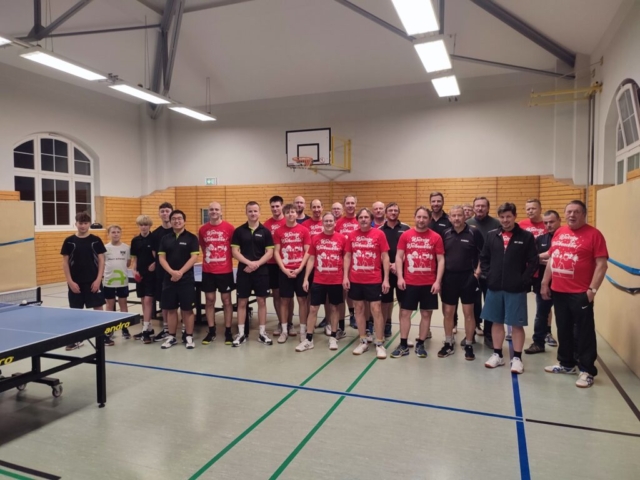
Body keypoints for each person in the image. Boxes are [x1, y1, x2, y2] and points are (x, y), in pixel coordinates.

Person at [541, 200, 608, 388]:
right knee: (563, 328)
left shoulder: (594, 235)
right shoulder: (560, 232)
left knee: (584, 332)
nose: (572, 215)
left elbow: (602, 265)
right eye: (569, 211)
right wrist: (545, 282)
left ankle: (587, 370)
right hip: (559, 291)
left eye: (576, 212)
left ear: (584, 214)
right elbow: (553, 259)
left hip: (580, 293)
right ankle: (566, 364)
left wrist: (591, 291)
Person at [481, 203, 538, 374]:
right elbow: (484, 258)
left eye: (508, 216)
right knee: (496, 321)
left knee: (516, 324)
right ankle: (497, 355)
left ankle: (517, 358)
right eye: (502, 217)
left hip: (516, 289)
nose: (505, 220)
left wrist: (523, 280)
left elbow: (533, 261)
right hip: (495, 287)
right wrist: (489, 275)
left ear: (514, 216)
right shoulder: (492, 235)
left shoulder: (526, 236)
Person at [391, 207, 444, 359]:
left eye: (424, 217)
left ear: (429, 219)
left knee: (426, 314)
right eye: (419, 217)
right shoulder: (406, 235)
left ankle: (420, 343)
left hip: (428, 283)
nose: (421, 220)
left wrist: (437, 281)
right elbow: (399, 257)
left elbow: (441, 260)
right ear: (415, 217)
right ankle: (403, 345)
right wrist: (400, 277)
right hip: (409, 282)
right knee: (405, 313)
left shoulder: (436, 237)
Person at [344, 207, 390, 359]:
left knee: (376, 310)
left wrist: (386, 279)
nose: (363, 219)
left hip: (373, 279)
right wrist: (345, 277)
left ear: (371, 220)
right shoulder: (352, 235)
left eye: (366, 217)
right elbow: (348, 256)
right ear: (357, 220)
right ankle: (363, 340)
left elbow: (385, 257)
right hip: (356, 279)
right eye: (361, 217)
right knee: (358, 309)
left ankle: (379, 343)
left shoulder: (379, 234)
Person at [440, 206, 484, 361]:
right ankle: (448, 342)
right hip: (449, 278)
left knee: (468, 313)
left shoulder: (474, 232)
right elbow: (440, 256)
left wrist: (477, 273)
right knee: (448, 312)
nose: (457, 218)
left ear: (465, 216)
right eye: (453, 215)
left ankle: (469, 344)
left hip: (468, 279)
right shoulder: (445, 233)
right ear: (450, 218)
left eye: (459, 215)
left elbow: (483, 254)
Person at [299, 212, 347, 351]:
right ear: (322, 223)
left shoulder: (342, 238)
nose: (328, 223)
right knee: (313, 308)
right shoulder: (315, 238)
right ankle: (308, 339)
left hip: (336, 280)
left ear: (335, 223)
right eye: (326, 221)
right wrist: (306, 278)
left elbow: (346, 259)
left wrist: (345, 277)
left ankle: (333, 337)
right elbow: (311, 259)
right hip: (319, 280)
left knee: (334, 308)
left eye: (331, 221)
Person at [61, 211, 107, 350]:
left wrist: (98, 280)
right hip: (75, 283)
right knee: (76, 311)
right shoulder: (69, 241)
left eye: (85, 223)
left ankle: (101, 335)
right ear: (75, 224)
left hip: (93, 281)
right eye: (80, 223)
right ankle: (77, 339)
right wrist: (70, 282)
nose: (83, 226)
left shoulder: (95, 240)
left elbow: (101, 260)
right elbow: (65, 263)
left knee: (98, 308)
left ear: (89, 224)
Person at [231, 201, 274, 346]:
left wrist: (256, 264)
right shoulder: (239, 231)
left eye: (255, 211)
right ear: (246, 213)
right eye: (250, 211)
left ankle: (262, 333)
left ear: (259, 213)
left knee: (261, 301)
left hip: (261, 272)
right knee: (242, 302)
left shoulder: (265, 231)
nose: (253, 213)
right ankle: (241, 333)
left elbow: (270, 252)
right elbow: (235, 252)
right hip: (244, 272)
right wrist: (249, 263)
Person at [158, 210, 200, 349]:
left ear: (184, 221)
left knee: (187, 310)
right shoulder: (165, 239)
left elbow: (194, 257)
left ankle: (189, 336)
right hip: (169, 279)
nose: (177, 221)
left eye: (179, 218)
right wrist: (172, 272)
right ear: (170, 221)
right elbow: (161, 258)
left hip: (186, 279)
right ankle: (171, 337)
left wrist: (180, 272)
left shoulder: (192, 238)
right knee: (171, 309)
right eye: (174, 219)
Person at [199, 201, 236, 346]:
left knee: (226, 301)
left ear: (221, 211)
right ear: (208, 212)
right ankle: (211, 330)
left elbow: (233, 248)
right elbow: (203, 247)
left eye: (216, 209)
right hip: (208, 271)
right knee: (209, 300)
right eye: (211, 209)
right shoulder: (203, 229)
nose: (214, 211)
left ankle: (228, 331)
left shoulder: (230, 228)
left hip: (225, 271)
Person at [466, 196, 501, 348]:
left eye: (483, 206)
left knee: (490, 303)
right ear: (473, 208)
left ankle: (489, 335)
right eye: (477, 206)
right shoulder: (467, 223)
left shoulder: (496, 224)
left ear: (488, 208)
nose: (480, 208)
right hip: (471, 271)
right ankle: (471, 332)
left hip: (491, 271)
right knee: (472, 303)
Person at [274, 204, 311, 344]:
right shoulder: (279, 231)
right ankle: (284, 330)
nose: (290, 214)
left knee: (302, 300)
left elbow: (307, 251)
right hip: (285, 271)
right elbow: (276, 251)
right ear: (284, 214)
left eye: (293, 212)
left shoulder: (304, 230)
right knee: (284, 300)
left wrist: (300, 268)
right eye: (288, 212)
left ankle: (303, 330)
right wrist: (284, 269)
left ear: (297, 214)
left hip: (299, 270)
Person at [525, 210, 560, 354]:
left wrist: (551, 261)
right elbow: (532, 258)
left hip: (564, 284)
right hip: (543, 283)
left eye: (551, 222)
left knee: (564, 317)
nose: (548, 225)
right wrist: (542, 260)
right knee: (541, 314)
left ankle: (569, 349)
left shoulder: (565, 237)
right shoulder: (540, 239)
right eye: (546, 223)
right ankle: (538, 343)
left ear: (559, 221)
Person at [379, 202, 410, 338]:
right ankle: (385, 327)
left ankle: (403, 334)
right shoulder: (380, 230)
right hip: (385, 272)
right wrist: (389, 264)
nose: (393, 212)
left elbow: (409, 249)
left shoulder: (406, 228)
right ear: (386, 213)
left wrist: (397, 265)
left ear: (399, 212)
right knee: (385, 302)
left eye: (395, 210)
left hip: (401, 272)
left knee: (403, 303)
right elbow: (378, 251)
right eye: (390, 210)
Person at [264, 196, 291, 336]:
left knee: (287, 295)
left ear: (282, 206)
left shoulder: (288, 221)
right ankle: (282, 322)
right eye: (273, 206)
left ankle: (290, 323)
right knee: (276, 294)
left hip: (288, 263)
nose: (275, 209)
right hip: (272, 265)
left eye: (277, 206)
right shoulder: (266, 225)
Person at [130, 215, 156, 343]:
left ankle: (145, 330)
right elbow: (135, 258)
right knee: (142, 300)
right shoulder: (135, 240)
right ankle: (149, 327)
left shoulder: (154, 239)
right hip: (140, 274)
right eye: (141, 225)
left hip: (152, 275)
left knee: (148, 301)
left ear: (149, 226)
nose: (143, 227)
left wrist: (155, 264)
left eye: (146, 225)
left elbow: (158, 257)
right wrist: (134, 269)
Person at [151, 202, 174, 342]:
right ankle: (166, 329)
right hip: (162, 273)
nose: (165, 213)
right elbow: (155, 254)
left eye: (167, 211)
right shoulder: (155, 234)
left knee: (181, 302)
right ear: (159, 214)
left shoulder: (178, 230)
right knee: (164, 302)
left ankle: (184, 329)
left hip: (178, 272)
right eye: (162, 211)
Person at [103, 225, 131, 339]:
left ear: (121, 233)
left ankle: (124, 328)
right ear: (108, 234)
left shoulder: (126, 248)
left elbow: (128, 263)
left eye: (118, 232)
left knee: (123, 304)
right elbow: (102, 263)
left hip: (122, 281)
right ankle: (109, 328)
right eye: (113, 232)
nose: (116, 234)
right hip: (108, 281)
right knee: (109, 305)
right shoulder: (104, 248)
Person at [336, 195, 360, 329]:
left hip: (358, 263)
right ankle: (340, 323)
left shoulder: (361, 220)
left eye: (352, 203)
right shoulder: (339, 222)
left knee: (354, 293)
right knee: (342, 292)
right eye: (348, 203)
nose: (350, 205)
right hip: (342, 262)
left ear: (356, 204)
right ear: (344, 205)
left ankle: (353, 316)